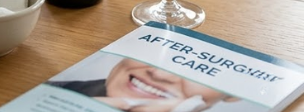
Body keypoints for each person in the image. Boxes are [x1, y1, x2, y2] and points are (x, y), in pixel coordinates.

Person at [50, 58, 240, 112]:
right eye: (156, 53)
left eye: (200, 71)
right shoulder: (50, 91)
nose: (159, 73)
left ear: (234, 94)